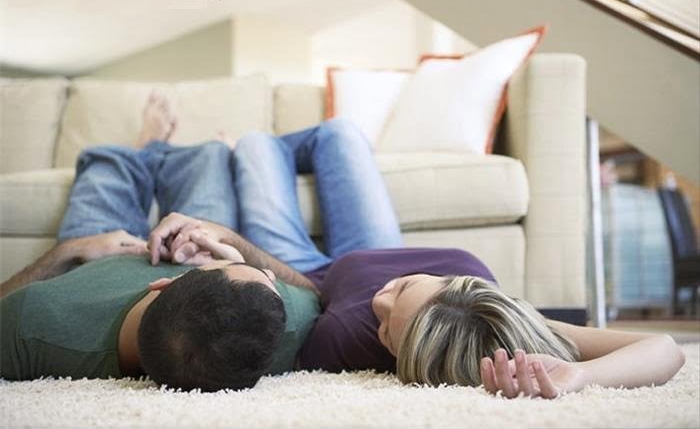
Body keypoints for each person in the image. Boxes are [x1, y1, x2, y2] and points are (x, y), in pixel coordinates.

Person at [167, 120, 686, 399]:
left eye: (388, 326)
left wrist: (234, 244)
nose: (380, 299)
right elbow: (665, 348)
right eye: (405, 285)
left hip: (311, 268)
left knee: (257, 144)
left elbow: (309, 289)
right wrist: (577, 377)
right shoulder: (486, 314)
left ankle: (247, 150)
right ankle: (268, 153)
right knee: (341, 133)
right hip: (374, 244)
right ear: (450, 281)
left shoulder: (344, 339)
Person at [0, 93, 320, 392]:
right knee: (211, 154)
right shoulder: (270, 330)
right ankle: (161, 151)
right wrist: (225, 239)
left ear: (162, 284)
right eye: (262, 274)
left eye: (246, 268)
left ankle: (146, 146)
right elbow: (313, 292)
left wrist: (67, 251)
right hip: (190, 252)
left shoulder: (33, 323)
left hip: (93, 255)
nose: (270, 274)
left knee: (108, 162)